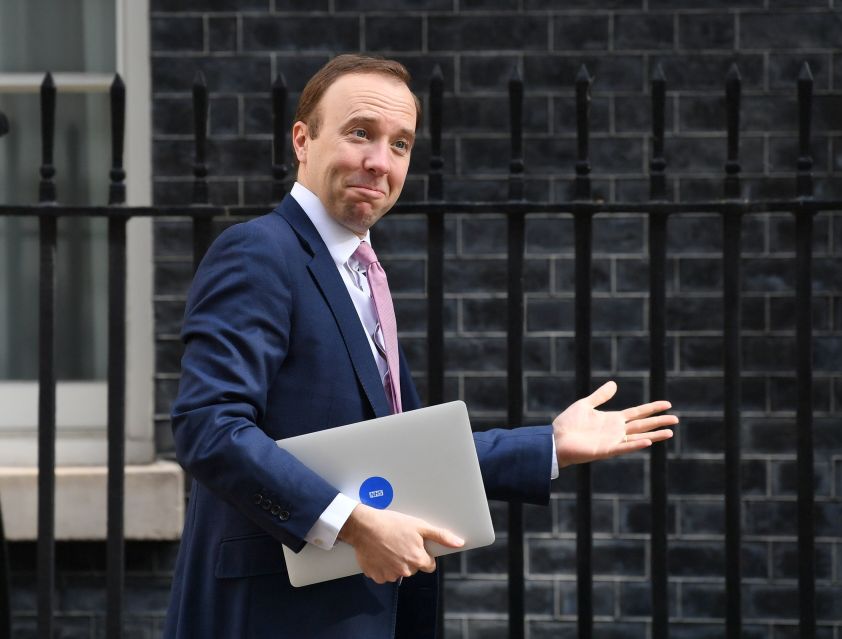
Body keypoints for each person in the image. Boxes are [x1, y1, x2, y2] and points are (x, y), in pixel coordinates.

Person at [163, 54, 677, 639]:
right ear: (302, 141)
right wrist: (354, 526)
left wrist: (550, 446)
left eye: (400, 144)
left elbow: (398, 458)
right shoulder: (259, 253)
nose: (380, 161)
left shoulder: (361, 273)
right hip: (272, 616)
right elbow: (209, 426)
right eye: (361, 133)